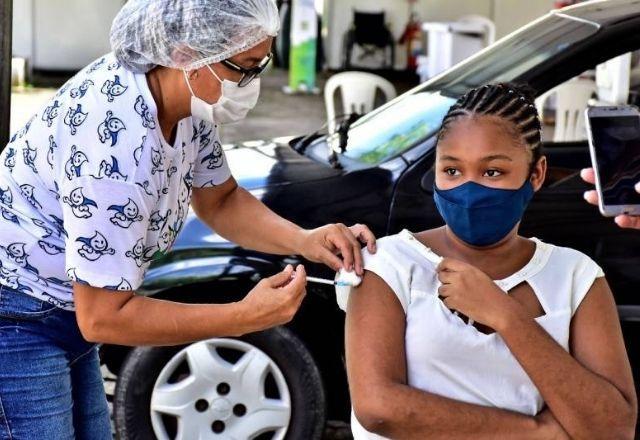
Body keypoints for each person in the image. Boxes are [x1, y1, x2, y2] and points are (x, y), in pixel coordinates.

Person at [0, 1, 376, 438]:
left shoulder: (184, 100)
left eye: (262, 65)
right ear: (185, 54)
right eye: (245, 68)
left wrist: (306, 240)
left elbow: (221, 200)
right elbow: (103, 317)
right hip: (19, 315)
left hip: (65, 306)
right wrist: (243, 317)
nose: (252, 84)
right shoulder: (115, 152)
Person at [344, 83, 637, 439]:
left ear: (537, 174)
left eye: (492, 172)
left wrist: (506, 316)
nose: (469, 190)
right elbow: (378, 408)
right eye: (452, 171)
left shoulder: (575, 276)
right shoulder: (390, 263)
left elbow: (613, 428)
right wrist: (536, 432)